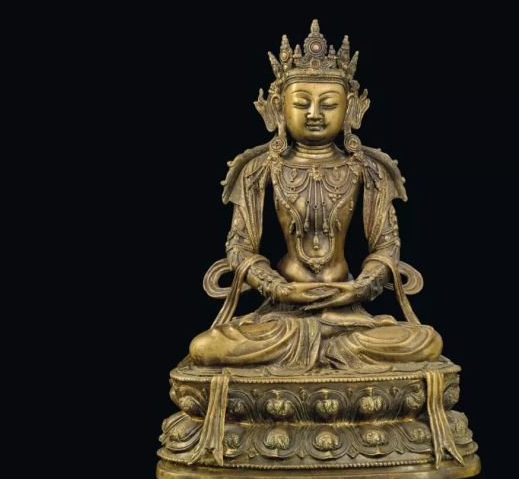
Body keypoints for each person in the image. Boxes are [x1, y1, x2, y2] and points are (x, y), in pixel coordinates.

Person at [189, 20, 442, 373]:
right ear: (278, 107)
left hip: (347, 312)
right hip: (282, 314)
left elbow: (386, 246)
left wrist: (360, 288)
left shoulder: (369, 169)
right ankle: (326, 351)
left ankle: (326, 348)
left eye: (328, 104)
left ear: (351, 109)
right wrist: (277, 289)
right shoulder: (258, 168)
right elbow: (240, 247)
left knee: (425, 341)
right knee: (205, 348)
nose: (314, 114)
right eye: (302, 103)